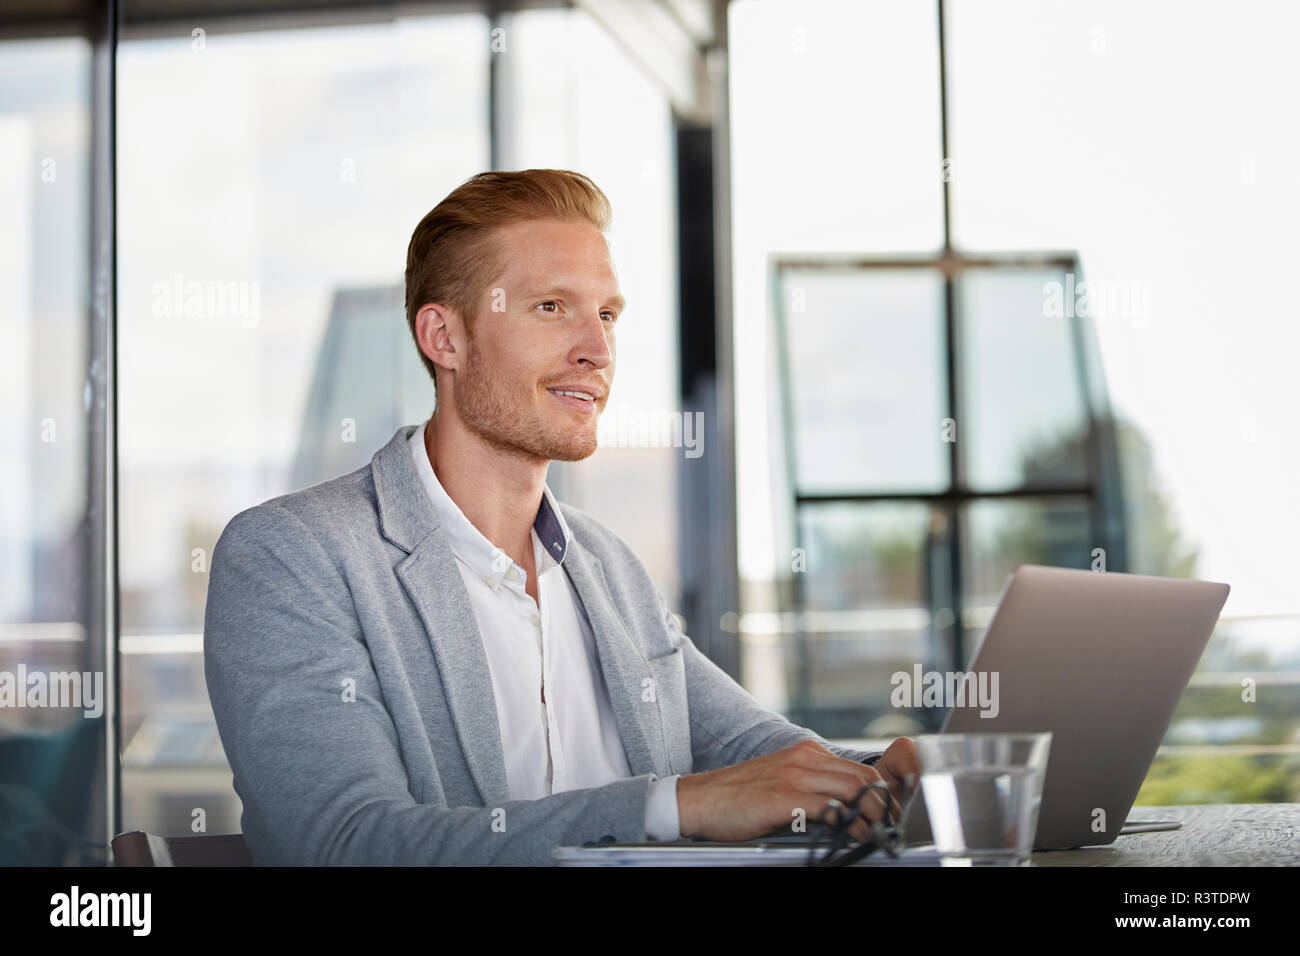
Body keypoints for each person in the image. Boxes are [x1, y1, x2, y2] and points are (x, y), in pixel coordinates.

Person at [203, 168, 919, 865]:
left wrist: (906, 774)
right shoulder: (291, 555)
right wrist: (673, 807)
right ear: (444, 337)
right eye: (552, 308)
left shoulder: (607, 565)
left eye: (607, 315)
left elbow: (753, 757)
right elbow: (343, 845)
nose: (598, 351)